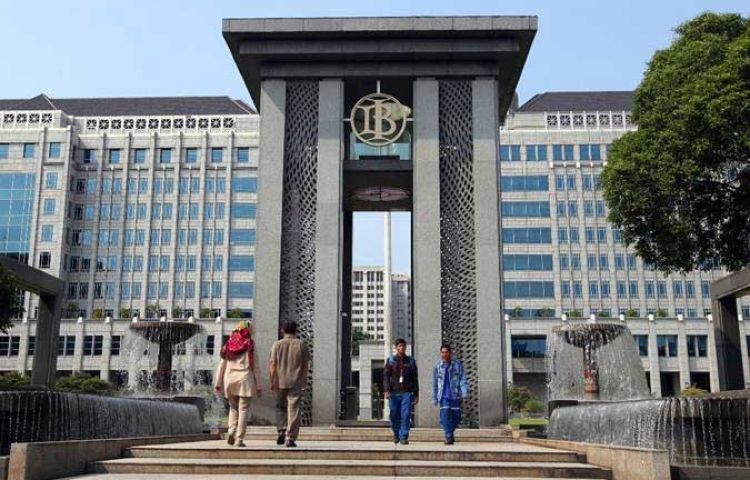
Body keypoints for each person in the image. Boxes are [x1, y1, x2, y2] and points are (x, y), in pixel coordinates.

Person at [214, 320, 261, 448]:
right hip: (245, 379)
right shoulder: (250, 343)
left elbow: (222, 364)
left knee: (233, 408)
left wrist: (218, 383)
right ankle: (239, 439)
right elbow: (256, 366)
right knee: (243, 409)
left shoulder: (229, 344)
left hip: (230, 379)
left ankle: (231, 431)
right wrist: (259, 386)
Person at [269, 320, 310, 448]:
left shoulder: (277, 345)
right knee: (294, 409)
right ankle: (290, 437)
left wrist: (272, 380)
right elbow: (305, 365)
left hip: (280, 381)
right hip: (295, 381)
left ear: (283, 330)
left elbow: (273, 364)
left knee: (280, 407)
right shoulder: (301, 344)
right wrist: (304, 379)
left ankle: (281, 429)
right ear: (296, 330)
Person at [383, 338, 419, 444]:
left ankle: (404, 436)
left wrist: (416, 394)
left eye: (403, 346)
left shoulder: (410, 361)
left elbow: (415, 378)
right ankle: (396, 433)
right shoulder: (391, 360)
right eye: (399, 346)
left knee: (406, 414)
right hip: (394, 392)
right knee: (394, 414)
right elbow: (386, 377)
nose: (401, 348)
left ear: (405, 347)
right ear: (396, 347)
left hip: (407, 392)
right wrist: (386, 390)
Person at [432, 344, 469, 445]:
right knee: (445, 416)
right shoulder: (437, 367)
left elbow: (462, 379)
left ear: (450, 353)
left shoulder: (457, 365)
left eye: (446, 352)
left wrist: (464, 392)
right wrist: (435, 397)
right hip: (443, 396)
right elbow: (435, 383)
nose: (444, 354)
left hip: (455, 395)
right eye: (442, 352)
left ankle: (450, 433)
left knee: (456, 417)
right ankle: (448, 436)